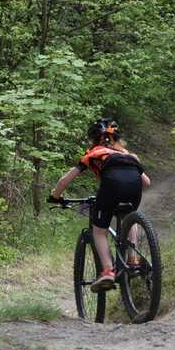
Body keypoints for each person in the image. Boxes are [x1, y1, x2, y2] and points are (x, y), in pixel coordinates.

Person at [48, 118, 151, 292]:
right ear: (117, 138)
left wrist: (55, 196)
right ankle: (132, 258)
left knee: (99, 231)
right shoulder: (129, 155)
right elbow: (146, 182)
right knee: (129, 216)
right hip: (134, 186)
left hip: (111, 185)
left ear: (93, 139)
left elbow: (65, 180)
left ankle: (108, 271)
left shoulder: (93, 153)